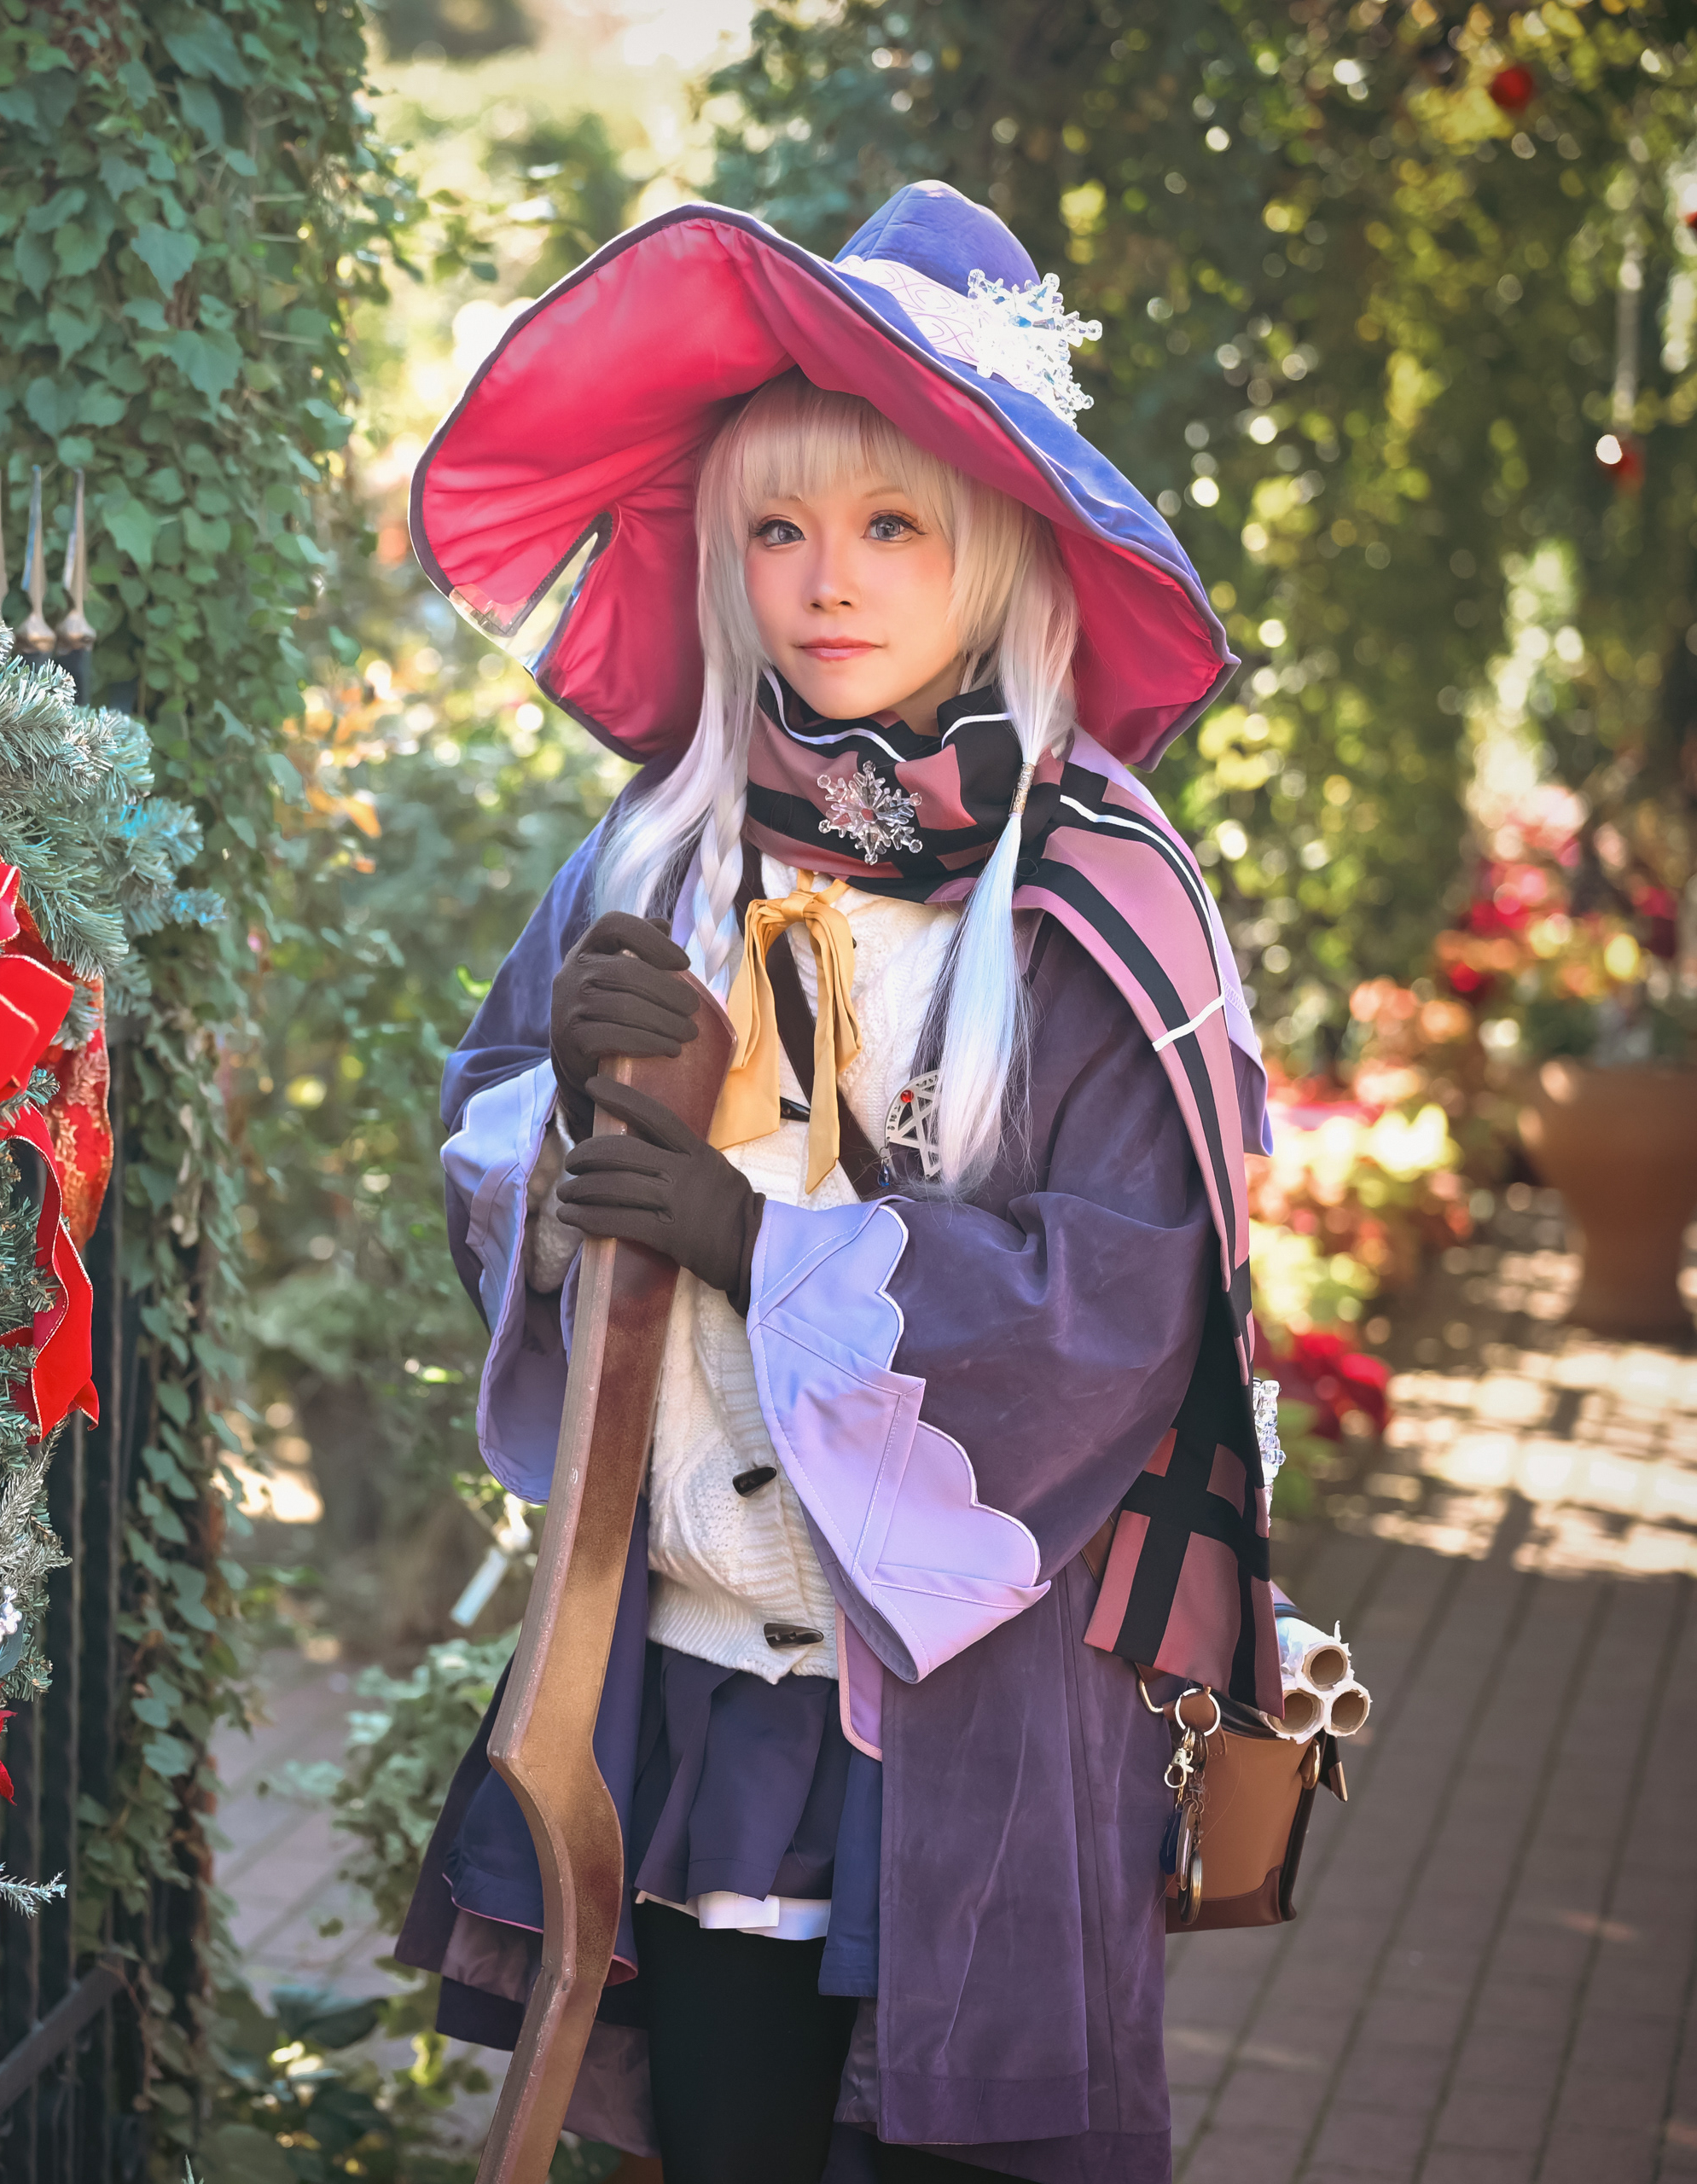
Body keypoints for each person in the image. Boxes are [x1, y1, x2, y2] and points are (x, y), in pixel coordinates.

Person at [386, 183, 1287, 2184]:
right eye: (779, 529)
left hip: (979, 1721)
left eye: (891, 525)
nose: (827, 581)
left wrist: (756, 1241)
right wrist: (565, 1124)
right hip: (702, 1687)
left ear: (1002, 546)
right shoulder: (658, 842)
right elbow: (486, 1145)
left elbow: (1120, 1312)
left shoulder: (1104, 897)